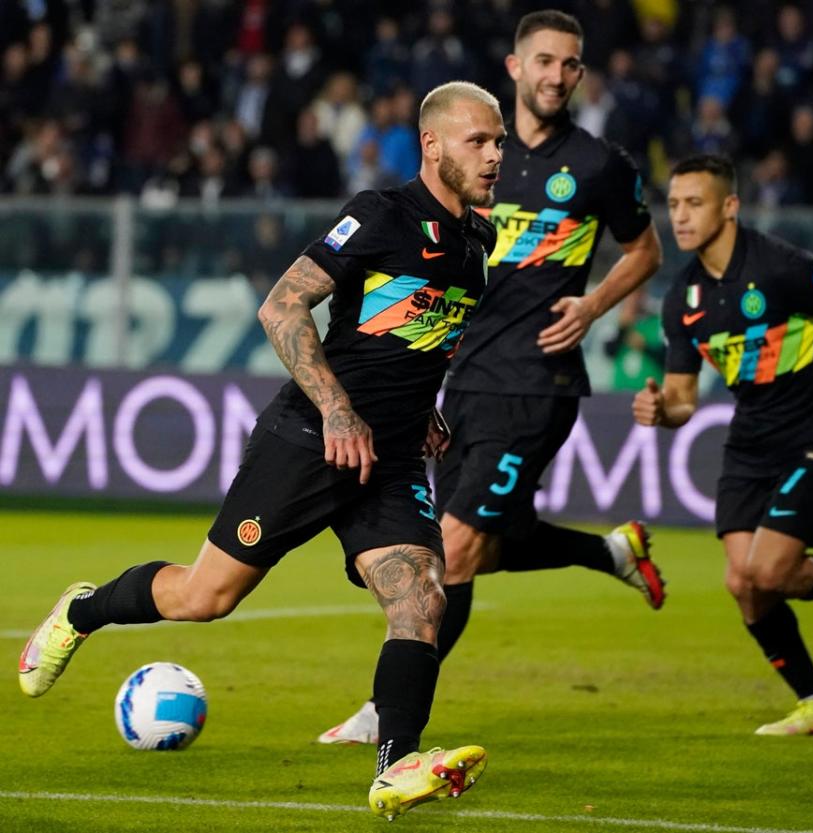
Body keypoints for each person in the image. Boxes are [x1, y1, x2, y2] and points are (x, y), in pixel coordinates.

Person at [18, 80, 506, 820]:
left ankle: (395, 763)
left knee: (420, 596)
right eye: (479, 140)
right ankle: (85, 610)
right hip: (312, 438)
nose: (495, 154)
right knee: (205, 597)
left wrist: (423, 406)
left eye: (499, 141)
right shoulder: (378, 215)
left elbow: (418, 338)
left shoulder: (479, 241)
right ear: (432, 145)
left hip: (393, 455)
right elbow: (281, 305)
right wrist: (337, 406)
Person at [320, 9, 665, 747]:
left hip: (539, 381)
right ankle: (609, 552)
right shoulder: (478, 161)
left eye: (571, 64)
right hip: (463, 382)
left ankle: (388, 715)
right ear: (513, 68)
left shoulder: (600, 166)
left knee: (455, 545)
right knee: (476, 547)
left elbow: (644, 250)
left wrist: (596, 303)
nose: (556, 75)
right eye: (544, 60)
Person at [633, 153, 813, 735]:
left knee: (772, 571)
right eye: (675, 204)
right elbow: (684, 397)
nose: (680, 217)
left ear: (729, 206)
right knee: (744, 584)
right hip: (751, 440)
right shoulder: (681, 298)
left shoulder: (780, 267)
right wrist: (663, 411)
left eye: (695, 204)